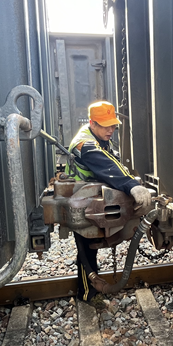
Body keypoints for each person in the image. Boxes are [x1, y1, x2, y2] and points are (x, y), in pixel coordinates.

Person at [65, 100, 152, 302]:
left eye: (112, 125)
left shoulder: (100, 138)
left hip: (90, 199)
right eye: (106, 126)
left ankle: (89, 291)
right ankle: (87, 295)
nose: (111, 130)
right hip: (81, 203)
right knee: (85, 250)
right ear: (92, 123)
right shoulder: (84, 144)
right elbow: (106, 165)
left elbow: (111, 160)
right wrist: (132, 185)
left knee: (90, 247)